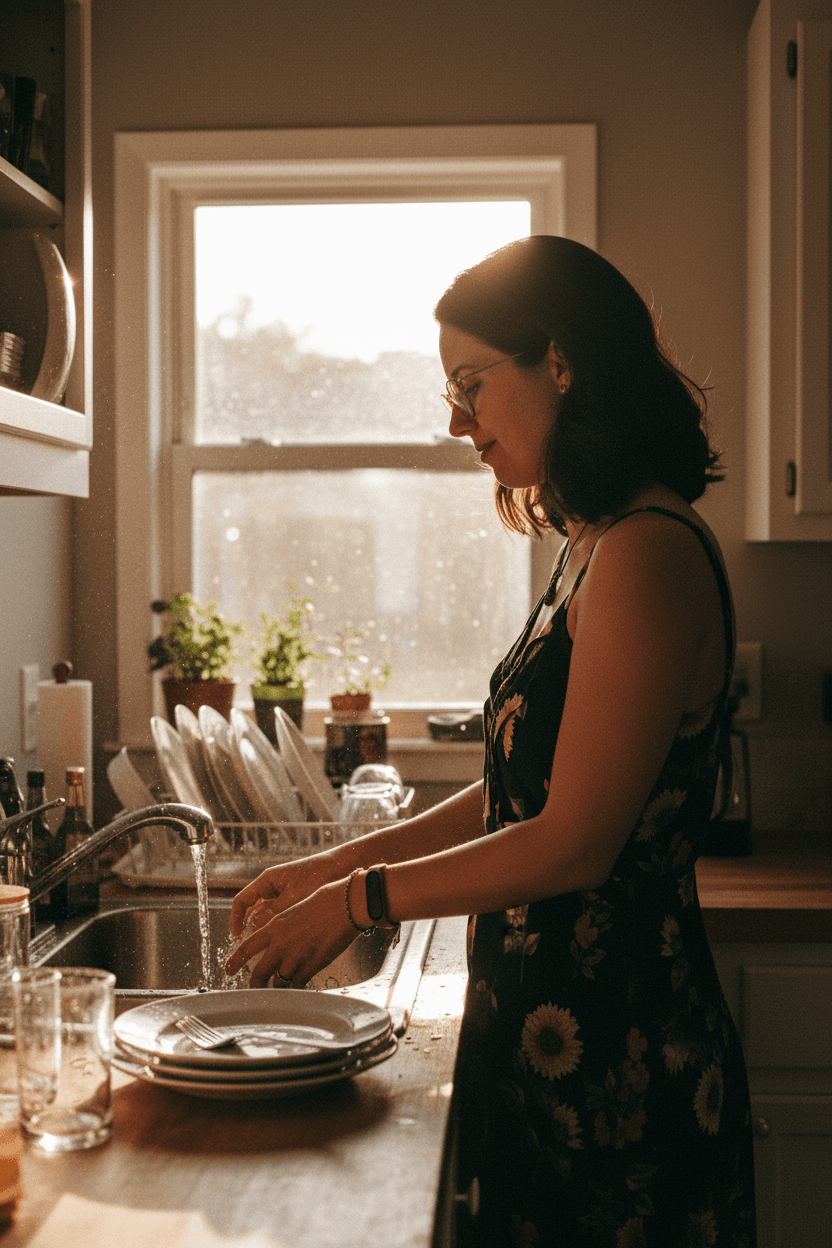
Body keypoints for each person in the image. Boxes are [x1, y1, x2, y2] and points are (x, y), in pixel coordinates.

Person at [226, 236, 756, 1247]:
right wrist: (344, 858)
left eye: (470, 385)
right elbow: (523, 788)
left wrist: (356, 900)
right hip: (549, 1053)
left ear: (560, 360)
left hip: (622, 1072)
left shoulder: (648, 551)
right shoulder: (591, 543)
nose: (458, 424)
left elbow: (574, 842)